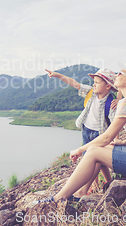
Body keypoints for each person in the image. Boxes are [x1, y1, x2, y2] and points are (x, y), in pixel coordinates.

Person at [36, 62, 126, 204]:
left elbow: (107, 137)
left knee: (93, 152)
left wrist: (80, 149)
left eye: (121, 73)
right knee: (99, 149)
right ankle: (80, 192)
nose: (117, 74)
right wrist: (122, 142)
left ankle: (58, 198)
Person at [45, 68, 117, 200]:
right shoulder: (91, 93)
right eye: (93, 82)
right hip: (86, 130)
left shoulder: (111, 103)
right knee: (91, 160)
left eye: (97, 82)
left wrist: (115, 139)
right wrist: (58, 75)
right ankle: (101, 184)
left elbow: (114, 124)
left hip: (99, 135)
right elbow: (74, 83)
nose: (94, 84)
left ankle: (105, 184)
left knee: (97, 161)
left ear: (108, 86)